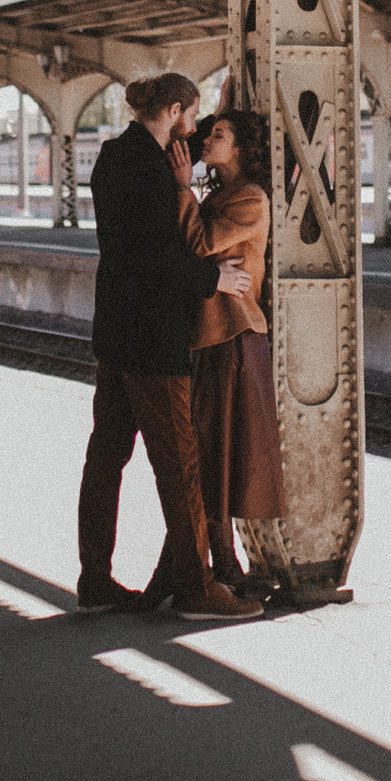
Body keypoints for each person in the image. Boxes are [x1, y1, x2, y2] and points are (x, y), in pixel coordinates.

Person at [74, 73, 265, 621]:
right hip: (152, 337)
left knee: (106, 457)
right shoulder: (151, 169)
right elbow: (156, 256)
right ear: (175, 110)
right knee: (179, 464)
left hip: (113, 334)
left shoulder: (117, 155)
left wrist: (228, 104)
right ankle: (195, 588)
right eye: (192, 116)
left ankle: (94, 579)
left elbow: (134, 249)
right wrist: (214, 282)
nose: (196, 129)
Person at [173, 109, 284, 596]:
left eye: (218, 135)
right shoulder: (220, 195)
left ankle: (225, 566)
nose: (206, 139)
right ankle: (213, 564)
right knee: (208, 454)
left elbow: (198, 243)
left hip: (232, 336)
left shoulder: (250, 200)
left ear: (239, 149)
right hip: (214, 336)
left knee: (216, 456)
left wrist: (181, 187)